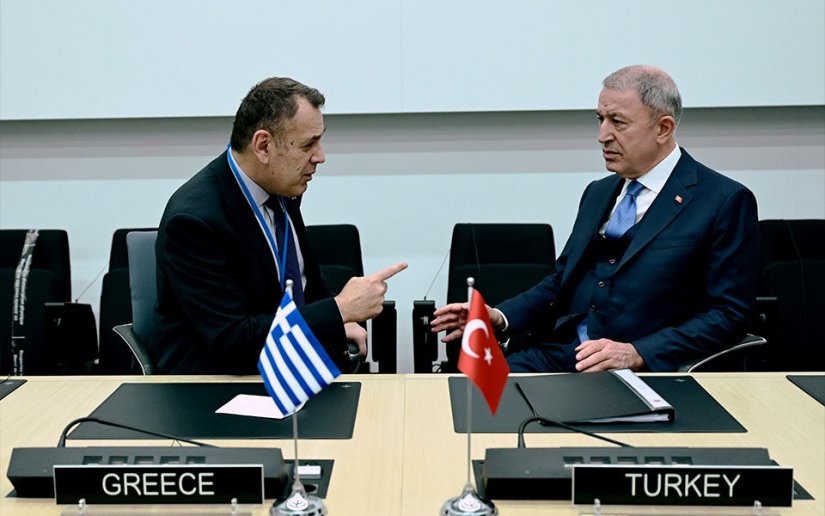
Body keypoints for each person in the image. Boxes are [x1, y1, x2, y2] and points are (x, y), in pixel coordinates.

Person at [432, 65, 759, 373]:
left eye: (618, 122)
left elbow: (728, 314)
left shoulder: (722, 200)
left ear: (663, 128)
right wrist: (500, 316)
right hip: (562, 353)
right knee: (469, 394)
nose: (602, 135)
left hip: (644, 369)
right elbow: (563, 281)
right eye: (601, 119)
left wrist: (637, 352)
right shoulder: (598, 192)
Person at [153, 77, 406, 374]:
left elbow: (306, 287)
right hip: (217, 383)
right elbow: (233, 342)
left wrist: (335, 323)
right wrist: (338, 311)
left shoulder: (281, 189)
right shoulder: (195, 221)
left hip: (288, 367)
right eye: (308, 144)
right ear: (263, 146)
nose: (320, 157)